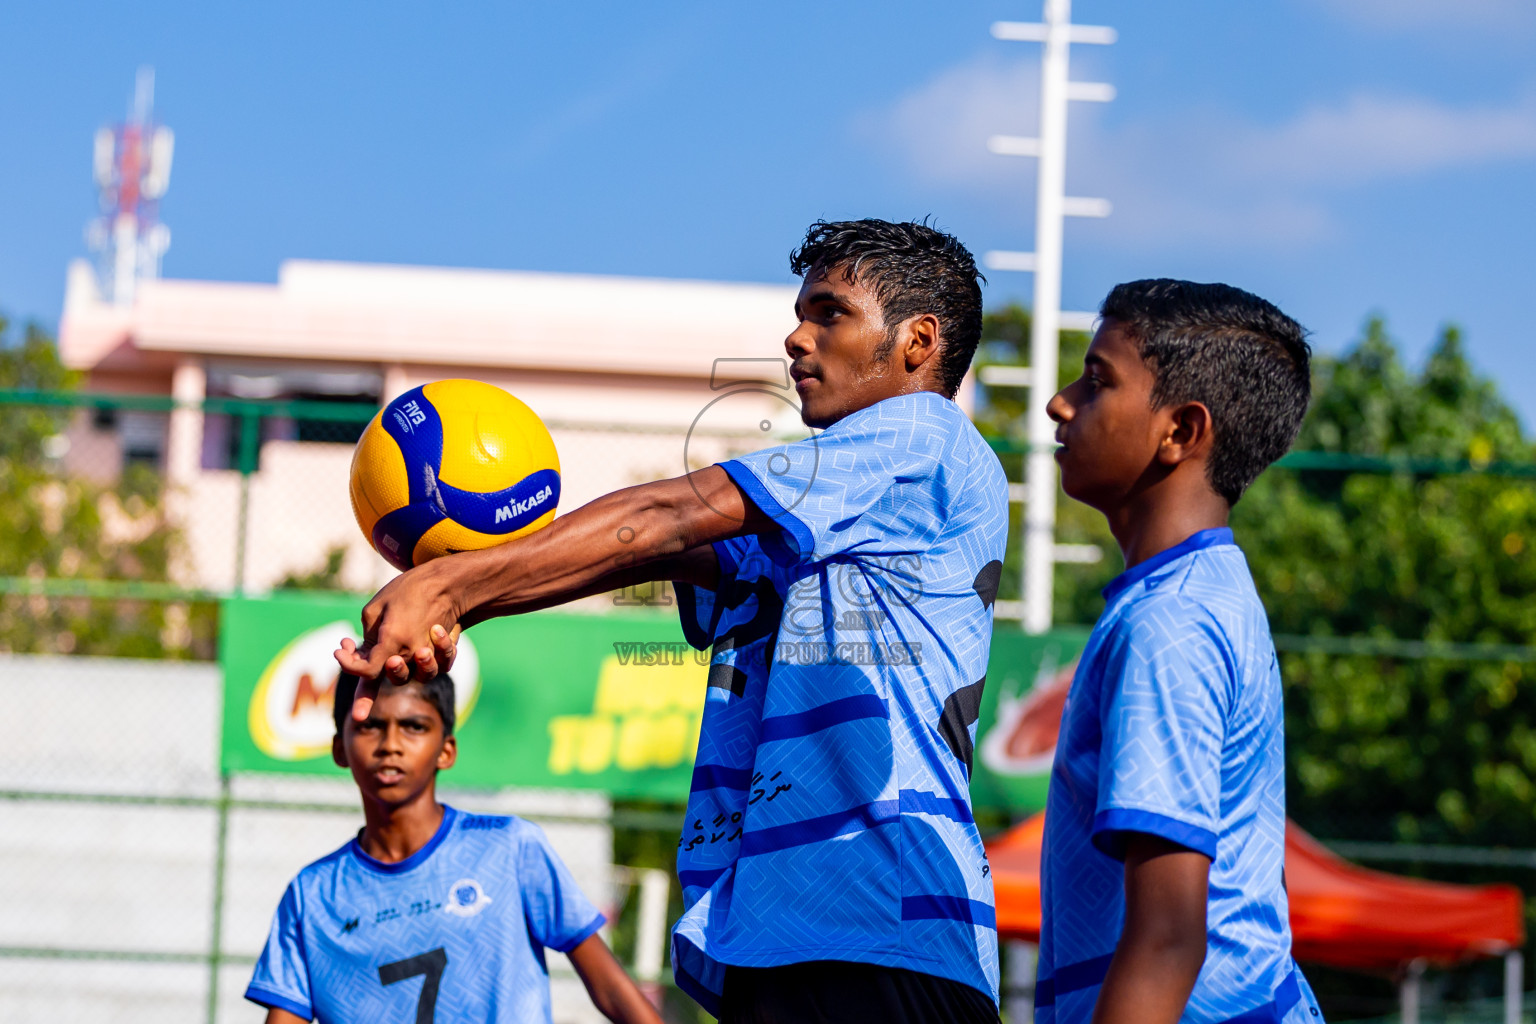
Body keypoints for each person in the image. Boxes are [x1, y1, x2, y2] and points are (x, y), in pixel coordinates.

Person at [336, 218, 1009, 1023]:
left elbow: (673, 516)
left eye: (829, 313)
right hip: (792, 928)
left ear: (917, 342)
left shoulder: (918, 434)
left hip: (878, 919)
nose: (796, 338)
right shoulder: (839, 512)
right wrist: (462, 603)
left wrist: (452, 584)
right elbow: (648, 555)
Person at [1038, 279, 1323, 1024]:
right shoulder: (1199, 592)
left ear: (1180, 432)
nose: (1060, 403)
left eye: (1097, 381)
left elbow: (1168, 937)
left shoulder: (1171, 623)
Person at [244, 671, 661, 1024]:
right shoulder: (312, 894)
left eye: (414, 726)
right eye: (370, 725)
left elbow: (610, 990)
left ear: (447, 749)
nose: (390, 743)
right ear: (340, 747)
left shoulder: (510, 848)